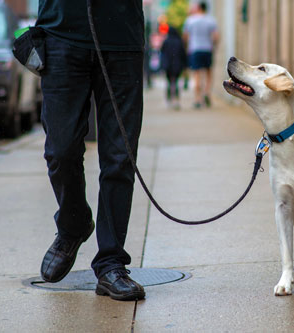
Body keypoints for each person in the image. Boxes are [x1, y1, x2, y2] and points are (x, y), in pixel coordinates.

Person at [35, 0, 145, 301]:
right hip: (60, 35)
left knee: (120, 157)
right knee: (61, 150)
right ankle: (73, 225)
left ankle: (111, 264)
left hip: (122, 39)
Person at [183, 1, 219, 109]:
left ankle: (197, 99)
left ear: (198, 8)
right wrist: (213, 46)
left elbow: (185, 36)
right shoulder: (211, 20)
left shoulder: (190, 20)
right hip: (207, 49)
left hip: (194, 49)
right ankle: (207, 93)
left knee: (196, 74)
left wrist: (188, 46)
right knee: (208, 72)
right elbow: (216, 36)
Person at [160, 26, 187, 110]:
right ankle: (176, 100)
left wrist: (162, 65)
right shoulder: (179, 41)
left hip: (168, 65)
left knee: (169, 82)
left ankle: (169, 100)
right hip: (177, 65)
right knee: (175, 82)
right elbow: (183, 54)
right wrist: (185, 65)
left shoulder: (166, 41)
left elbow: (162, 54)